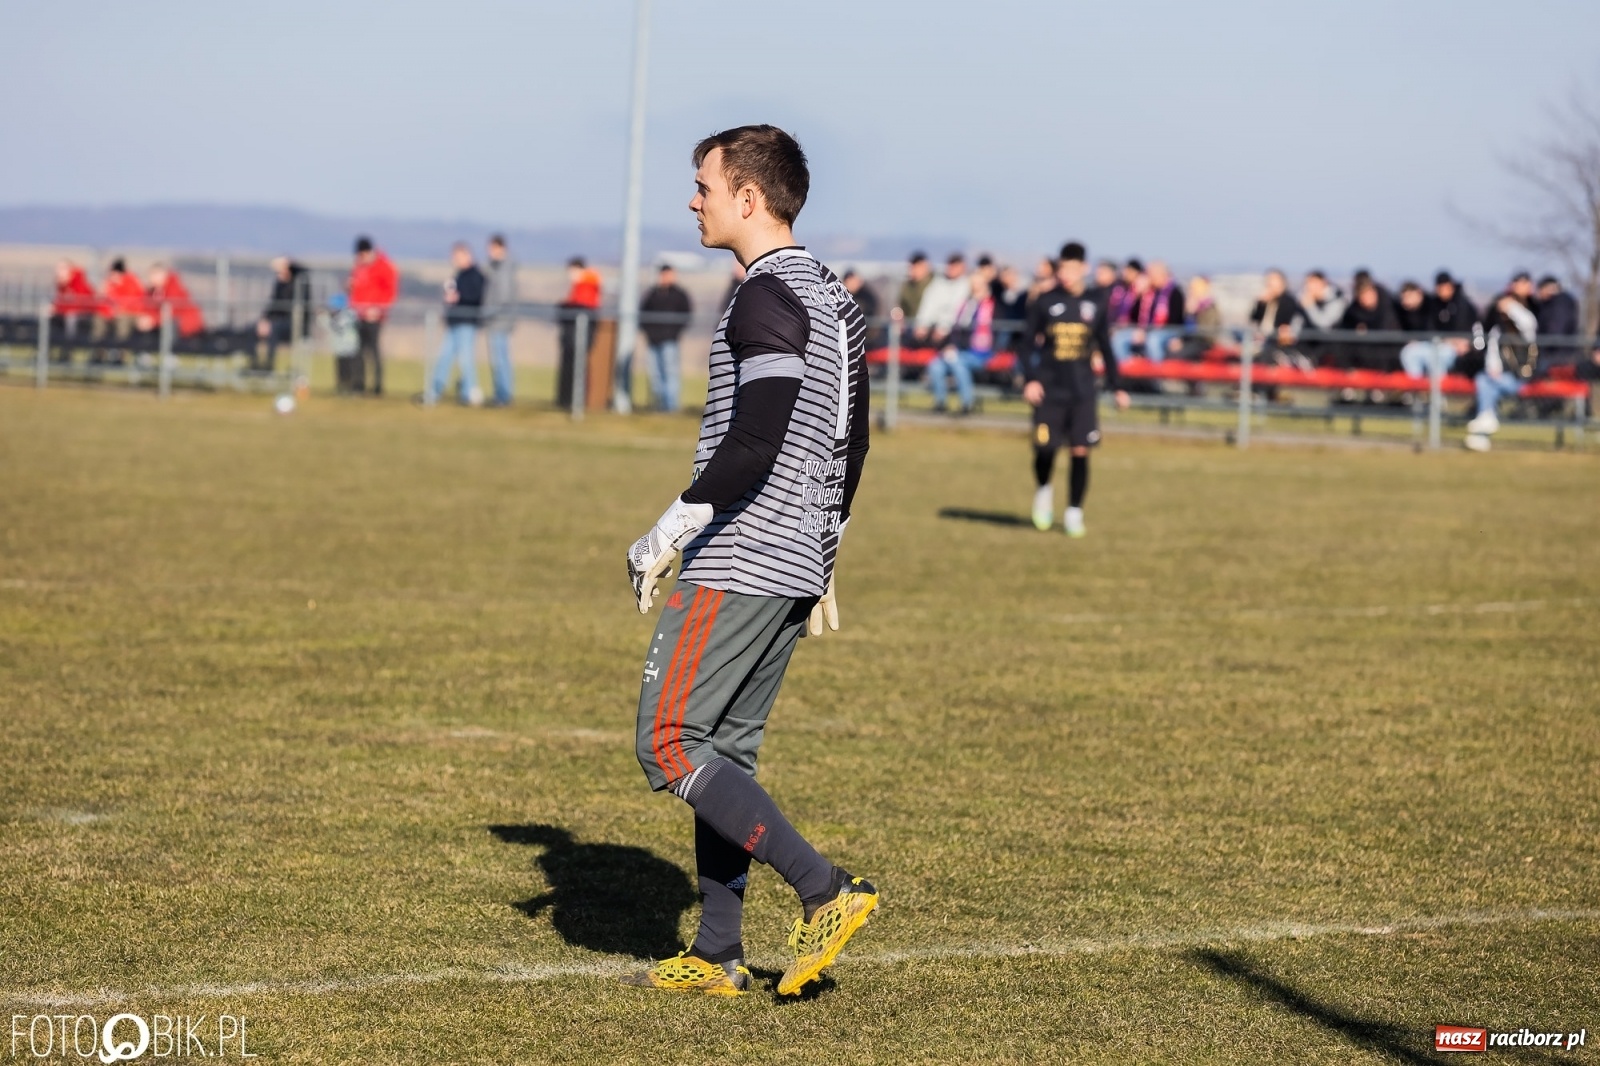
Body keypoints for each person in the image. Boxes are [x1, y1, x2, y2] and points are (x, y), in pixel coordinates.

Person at [621, 124, 875, 999]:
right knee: (723, 748)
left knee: (668, 741)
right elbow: (855, 438)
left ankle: (826, 889)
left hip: (744, 552)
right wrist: (826, 543)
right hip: (797, 557)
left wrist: (673, 526)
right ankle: (719, 952)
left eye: (703, 185)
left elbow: (758, 435)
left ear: (749, 198)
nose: (693, 200)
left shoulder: (764, 296)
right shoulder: (836, 298)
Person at [1022, 241, 1130, 537]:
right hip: (1049, 390)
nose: (1066, 274)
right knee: (1046, 450)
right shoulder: (1044, 302)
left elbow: (1105, 347)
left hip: (1082, 391)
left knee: (1080, 451)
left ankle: (1074, 512)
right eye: (1062, 268)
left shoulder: (1095, 303)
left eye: (1072, 268)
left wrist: (1116, 386)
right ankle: (1043, 491)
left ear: (1084, 268)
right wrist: (1030, 378)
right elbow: (1026, 345)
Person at [1464, 286, 1540, 451]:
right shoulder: (1497, 331)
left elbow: (1528, 322)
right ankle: (1483, 430)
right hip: (1497, 379)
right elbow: (1491, 353)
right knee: (1485, 382)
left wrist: (1511, 306)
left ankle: (1484, 424)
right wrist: (1493, 370)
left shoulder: (1524, 331)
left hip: (1520, 378)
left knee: (1485, 383)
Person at [425, 242, 486, 406]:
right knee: (444, 357)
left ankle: (469, 393)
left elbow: (476, 298)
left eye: (458, 257)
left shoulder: (476, 275)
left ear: (467, 255)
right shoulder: (458, 275)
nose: (455, 260)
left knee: (466, 360)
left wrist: (459, 297)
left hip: (467, 323)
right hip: (453, 323)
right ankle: (434, 391)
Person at [929, 272, 995, 414]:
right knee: (935, 366)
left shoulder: (991, 306)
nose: (975, 287)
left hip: (980, 353)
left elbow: (990, 333)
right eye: (973, 283)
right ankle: (940, 403)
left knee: (958, 364)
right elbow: (956, 330)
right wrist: (951, 346)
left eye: (978, 283)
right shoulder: (965, 304)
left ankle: (967, 404)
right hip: (959, 351)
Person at [348, 236, 399, 395]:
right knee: (358, 351)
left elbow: (390, 291)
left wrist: (378, 309)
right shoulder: (358, 267)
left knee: (374, 351)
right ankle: (358, 385)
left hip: (375, 316)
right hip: (359, 314)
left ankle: (377, 387)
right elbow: (356, 289)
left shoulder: (384, 266)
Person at [1110, 259, 1184, 366]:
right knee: (1119, 339)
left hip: (1167, 330)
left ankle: (1157, 376)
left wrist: (1176, 338)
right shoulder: (1149, 293)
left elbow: (1176, 319)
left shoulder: (1174, 292)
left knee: (1153, 341)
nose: (1149, 277)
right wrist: (1138, 295)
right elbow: (1134, 316)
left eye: (1152, 274)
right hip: (1146, 330)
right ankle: (1126, 373)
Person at [641, 263, 692, 412]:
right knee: (655, 374)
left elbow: (686, 314)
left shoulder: (679, 294)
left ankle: (671, 406)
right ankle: (658, 405)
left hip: (670, 340)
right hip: (653, 340)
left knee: (670, 372)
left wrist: (674, 332)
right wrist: (649, 332)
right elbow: (643, 314)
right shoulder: (652, 293)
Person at [556, 256, 603, 409]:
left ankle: (578, 400)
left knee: (579, 366)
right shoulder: (578, 286)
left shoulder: (588, 285)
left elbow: (582, 307)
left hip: (580, 335)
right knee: (570, 366)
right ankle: (567, 400)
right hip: (571, 335)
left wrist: (566, 307)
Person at [254, 257, 309, 374]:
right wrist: (264, 320)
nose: (278, 274)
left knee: (274, 329)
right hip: (278, 322)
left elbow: (302, 270)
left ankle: (269, 366)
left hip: (295, 324)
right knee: (253, 329)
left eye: (280, 271)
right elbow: (273, 305)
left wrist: (287, 263)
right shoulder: (279, 286)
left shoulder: (299, 281)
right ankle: (255, 364)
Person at [482, 234, 518, 407]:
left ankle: (503, 395)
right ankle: (501, 394)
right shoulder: (496, 267)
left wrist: (486, 312)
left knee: (500, 360)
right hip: (497, 320)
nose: (490, 252)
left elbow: (503, 298)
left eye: (492, 248)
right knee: (500, 359)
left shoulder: (504, 269)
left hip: (499, 321)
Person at [94, 258, 146, 364]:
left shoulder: (131, 282)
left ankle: (121, 355)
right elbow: (102, 303)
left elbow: (136, 302)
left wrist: (120, 309)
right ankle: (99, 354)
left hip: (130, 315)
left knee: (123, 321)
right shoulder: (109, 285)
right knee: (99, 319)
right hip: (113, 316)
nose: (113, 277)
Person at [912, 253, 968, 349]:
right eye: (950, 265)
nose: (951, 269)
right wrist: (922, 325)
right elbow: (928, 305)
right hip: (932, 328)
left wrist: (943, 328)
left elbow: (957, 310)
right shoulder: (938, 283)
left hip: (954, 333)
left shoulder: (966, 285)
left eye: (955, 266)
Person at [50, 260, 100, 360]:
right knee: (51, 318)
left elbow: (79, 304)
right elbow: (62, 302)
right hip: (68, 315)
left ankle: (68, 350)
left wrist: (59, 308)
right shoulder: (62, 285)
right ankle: (48, 348)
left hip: (85, 316)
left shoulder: (79, 281)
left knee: (70, 318)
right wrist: (54, 307)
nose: (58, 272)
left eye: (61, 269)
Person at [1166, 274, 1222, 363]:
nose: (1191, 291)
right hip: (1191, 340)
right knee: (1170, 350)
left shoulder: (1208, 306)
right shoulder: (1192, 305)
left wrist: (1193, 314)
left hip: (1202, 341)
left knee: (1177, 355)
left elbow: (1205, 331)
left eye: (1193, 288)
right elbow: (1184, 327)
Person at [138, 264, 204, 337]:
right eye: (151, 275)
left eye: (155, 275)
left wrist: (153, 320)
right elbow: (147, 307)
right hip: (165, 326)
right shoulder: (152, 292)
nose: (152, 278)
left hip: (184, 328)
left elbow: (172, 311)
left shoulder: (174, 289)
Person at [896, 251, 931, 323]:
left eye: (917, 267)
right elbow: (901, 305)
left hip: (930, 328)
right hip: (911, 326)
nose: (914, 270)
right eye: (912, 267)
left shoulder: (936, 284)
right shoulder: (907, 286)